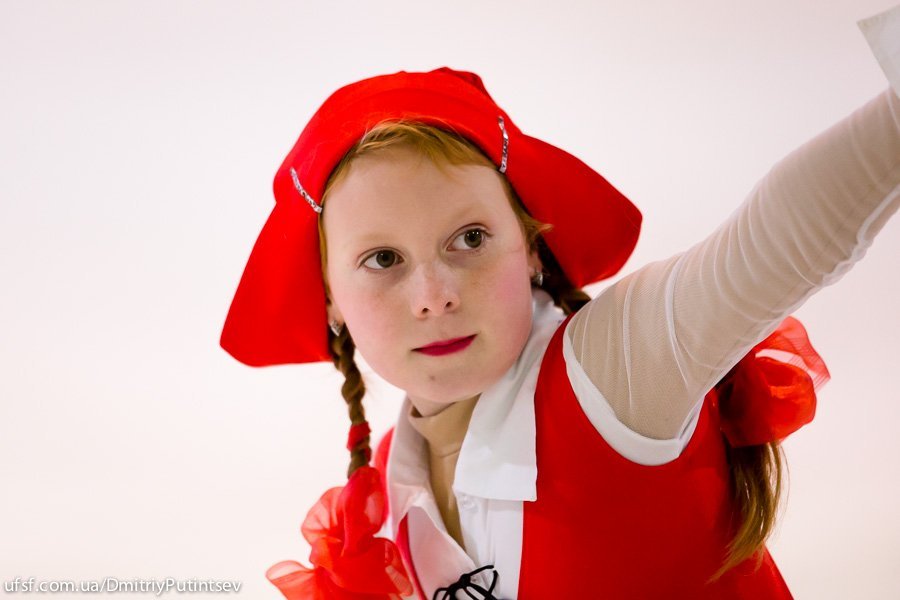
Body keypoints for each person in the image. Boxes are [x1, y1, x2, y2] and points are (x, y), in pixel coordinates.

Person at [220, 9, 900, 599]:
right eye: (382, 260)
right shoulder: (388, 489)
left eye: (470, 238)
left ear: (531, 248)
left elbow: (782, 233)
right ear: (331, 300)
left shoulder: (614, 370)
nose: (434, 298)